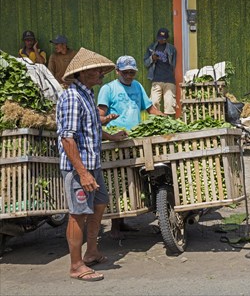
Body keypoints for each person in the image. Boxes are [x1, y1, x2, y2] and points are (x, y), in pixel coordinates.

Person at [56, 47, 127, 282]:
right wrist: (83, 173)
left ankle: (91, 252)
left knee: (100, 203)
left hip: (93, 164)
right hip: (79, 169)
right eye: (97, 70)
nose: (101, 74)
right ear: (83, 73)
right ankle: (76, 266)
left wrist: (112, 137)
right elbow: (68, 137)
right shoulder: (72, 97)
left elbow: (92, 129)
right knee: (78, 214)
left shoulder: (87, 94)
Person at [98, 55, 165, 240]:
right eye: (125, 72)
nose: (129, 75)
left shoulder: (138, 86)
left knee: (133, 178)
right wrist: (108, 123)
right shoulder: (108, 88)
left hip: (135, 139)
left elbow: (150, 109)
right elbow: (100, 115)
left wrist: (166, 119)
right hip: (115, 141)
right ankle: (115, 225)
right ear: (117, 71)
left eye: (132, 72)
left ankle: (124, 221)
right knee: (117, 181)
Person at [143, 28, 177, 116]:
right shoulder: (151, 48)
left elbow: (173, 64)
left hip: (169, 79)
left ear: (167, 38)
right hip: (156, 79)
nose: (161, 40)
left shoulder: (172, 49)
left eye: (163, 39)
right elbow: (146, 63)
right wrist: (152, 58)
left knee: (169, 103)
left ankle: (169, 123)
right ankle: (156, 122)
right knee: (154, 102)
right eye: (160, 38)